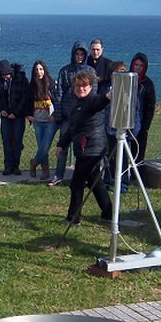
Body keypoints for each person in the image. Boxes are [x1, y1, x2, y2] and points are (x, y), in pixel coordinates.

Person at [55, 71, 113, 226]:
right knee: (95, 182)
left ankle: (73, 219)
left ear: (91, 86)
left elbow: (101, 101)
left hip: (92, 149)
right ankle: (109, 214)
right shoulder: (76, 104)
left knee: (77, 184)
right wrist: (61, 144)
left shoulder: (92, 100)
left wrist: (109, 96)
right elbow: (72, 127)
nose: (81, 88)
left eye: (84, 85)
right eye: (78, 85)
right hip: (83, 148)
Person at [49, 41, 96, 187]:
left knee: (83, 149)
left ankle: (84, 176)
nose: (79, 56)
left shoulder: (90, 71)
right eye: (77, 53)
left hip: (84, 117)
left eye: (82, 54)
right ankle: (58, 175)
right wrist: (59, 113)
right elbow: (58, 94)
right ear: (73, 54)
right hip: (67, 116)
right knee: (62, 147)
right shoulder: (65, 71)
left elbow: (94, 93)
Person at [0, 59, 28, 176]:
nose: (5, 77)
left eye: (6, 75)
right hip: (5, 114)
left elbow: (25, 98)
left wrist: (16, 113)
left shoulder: (21, 79)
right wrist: (1, 109)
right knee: (6, 140)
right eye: (2, 75)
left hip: (18, 115)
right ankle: (8, 165)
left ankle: (16, 166)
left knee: (17, 141)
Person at [100, 61, 131, 191]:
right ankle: (106, 180)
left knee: (122, 157)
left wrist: (133, 130)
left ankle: (122, 182)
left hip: (123, 129)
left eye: (123, 71)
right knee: (106, 156)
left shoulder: (129, 89)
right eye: (118, 71)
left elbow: (135, 109)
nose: (121, 74)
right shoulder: (105, 89)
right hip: (107, 129)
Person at [26, 60, 58, 180]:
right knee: (41, 146)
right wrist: (29, 115)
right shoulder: (32, 86)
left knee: (45, 146)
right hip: (37, 121)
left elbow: (57, 100)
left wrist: (54, 114)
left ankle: (34, 163)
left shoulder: (52, 84)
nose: (39, 72)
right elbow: (27, 102)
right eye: (36, 70)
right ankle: (45, 171)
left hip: (50, 121)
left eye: (41, 69)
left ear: (44, 70)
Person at [129, 52, 157, 165]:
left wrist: (145, 126)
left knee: (138, 152)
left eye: (141, 65)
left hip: (140, 124)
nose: (138, 68)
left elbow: (151, 106)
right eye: (136, 64)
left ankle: (137, 175)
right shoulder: (127, 78)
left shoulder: (148, 84)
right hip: (126, 121)